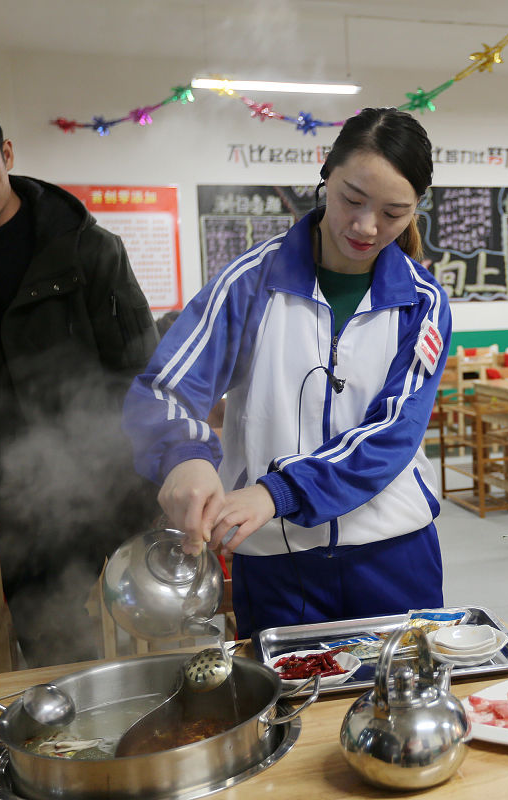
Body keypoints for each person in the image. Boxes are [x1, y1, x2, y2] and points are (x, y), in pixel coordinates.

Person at [123, 107, 452, 639]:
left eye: (394, 212)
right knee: (291, 715)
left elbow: (393, 433)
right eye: (351, 200)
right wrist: (184, 457)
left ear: (417, 208)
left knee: (401, 710)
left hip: (393, 556)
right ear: (326, 176)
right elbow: (164, 391)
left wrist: (278, 491)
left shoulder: (421, 302)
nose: (366, 227)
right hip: (277, 562)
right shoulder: (251, 284)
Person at [0, 89, 160, 666]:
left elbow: (140, 372)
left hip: (114, 478)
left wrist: (156, 473)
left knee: (152, 637)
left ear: (6, 153)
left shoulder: (88, 248)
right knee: (49, 643)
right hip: (19, 490)